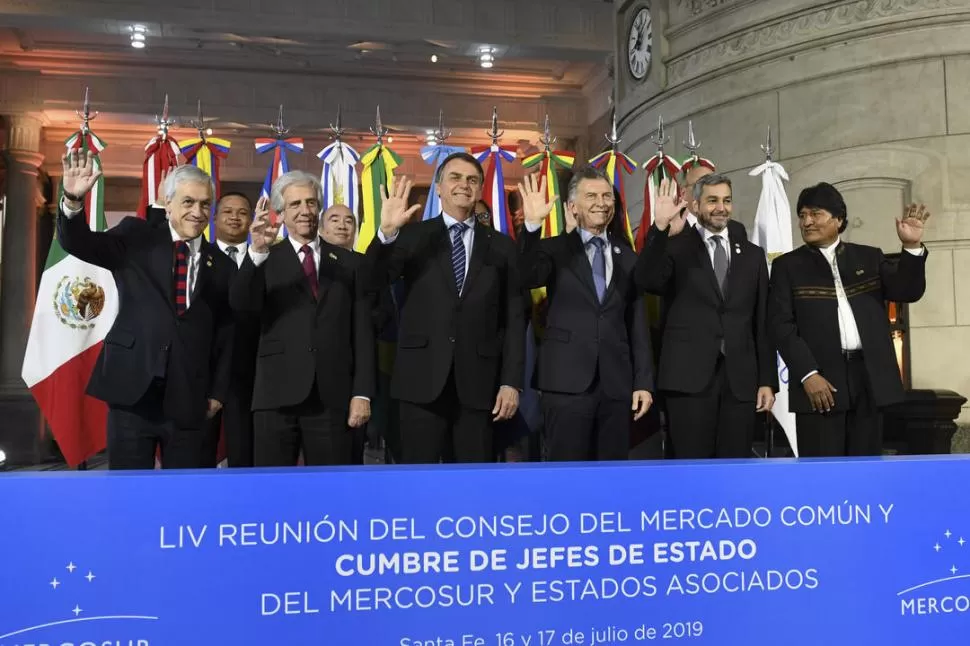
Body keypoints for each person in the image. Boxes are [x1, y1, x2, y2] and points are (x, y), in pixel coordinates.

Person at [56, 152, 234, 469]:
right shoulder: (136, 237)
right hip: (132, 389)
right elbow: (79, 242)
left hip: (190, 397)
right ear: (168, 205)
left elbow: (226, 332)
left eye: (205, 204)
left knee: (184, 498)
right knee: (129, 496)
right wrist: (72, 201)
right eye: (188, 202)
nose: (198, 211)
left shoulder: (221, 264)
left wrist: (219, 392)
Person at [365, 152, 525, 463]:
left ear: (479, 190)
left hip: (479, 387)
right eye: (455, 177)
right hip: (419, 382)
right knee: (418, 483)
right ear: (439, 188)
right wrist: (385, 235)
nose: (464, 184)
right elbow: (372, 281)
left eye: (472, 180)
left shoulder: (501, 245)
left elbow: (514, 317)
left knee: (472, 487)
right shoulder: (411, 236)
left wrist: (510, 382)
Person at [768, 183, 928, 456]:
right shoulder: (787, 266)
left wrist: (911, 247)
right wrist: (808, 374)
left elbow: (908, 291)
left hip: (869, 380)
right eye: (802, 215)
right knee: (822, 476)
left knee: (866, 473)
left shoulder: (869, 256)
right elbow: (781, 326)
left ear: (838, 219)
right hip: (819, 383)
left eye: (815, 214)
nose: (806, 222)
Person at [230, 171, 374, 466]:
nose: (305, 211)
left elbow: (362, 331)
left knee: (333, 493)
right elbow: (241, 306)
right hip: (275, 396)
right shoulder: (263, 256)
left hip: (332, 397)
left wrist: (362, 392)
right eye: (295, 204)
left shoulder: (349, 263)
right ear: (280, 213)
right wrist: (256, 251)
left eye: (310, 202)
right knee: (272, 494)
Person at [517, 167, 654, 460]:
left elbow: (637, 323)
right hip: (566, 384)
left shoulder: (627, 256)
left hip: (616, 386)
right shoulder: (554, 249)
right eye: (591, 196)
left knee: (612, 477)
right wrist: (530, 226)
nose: (601, 202)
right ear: (571, 207)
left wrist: (643, 381)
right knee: (566, 476)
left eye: (606, 196)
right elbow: (526, 276)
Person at [636, 174, 777, 458]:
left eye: (726, 200)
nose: (720, 208)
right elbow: (646, 279)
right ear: (696, 204)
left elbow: (762, 321)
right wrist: (660, 227)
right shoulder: (675, 246)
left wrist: (767, 380)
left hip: (739, 381)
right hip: (687, 380)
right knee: (691, 467)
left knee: (735, 467)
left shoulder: (752, 255)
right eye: (712, 201)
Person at [207, 192, 258, 467]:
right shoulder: (199, 257)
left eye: (242, 212)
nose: (235, 217)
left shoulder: (265, 257)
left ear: (251, 220)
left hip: (250, 370)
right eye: (228, 212)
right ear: (214, 218)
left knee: (244, 451)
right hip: (205, 369)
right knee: (199, 452)